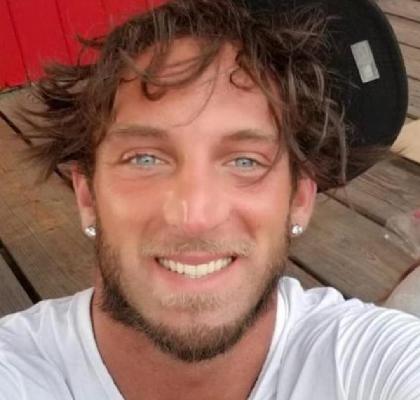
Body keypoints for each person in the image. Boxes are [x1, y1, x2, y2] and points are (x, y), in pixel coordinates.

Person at [1, 0, 419, 399]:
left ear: (300, 200)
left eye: (245, 161)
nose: (194, 216)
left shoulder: (377, 360)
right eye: (144, 158)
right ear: (87, 196)